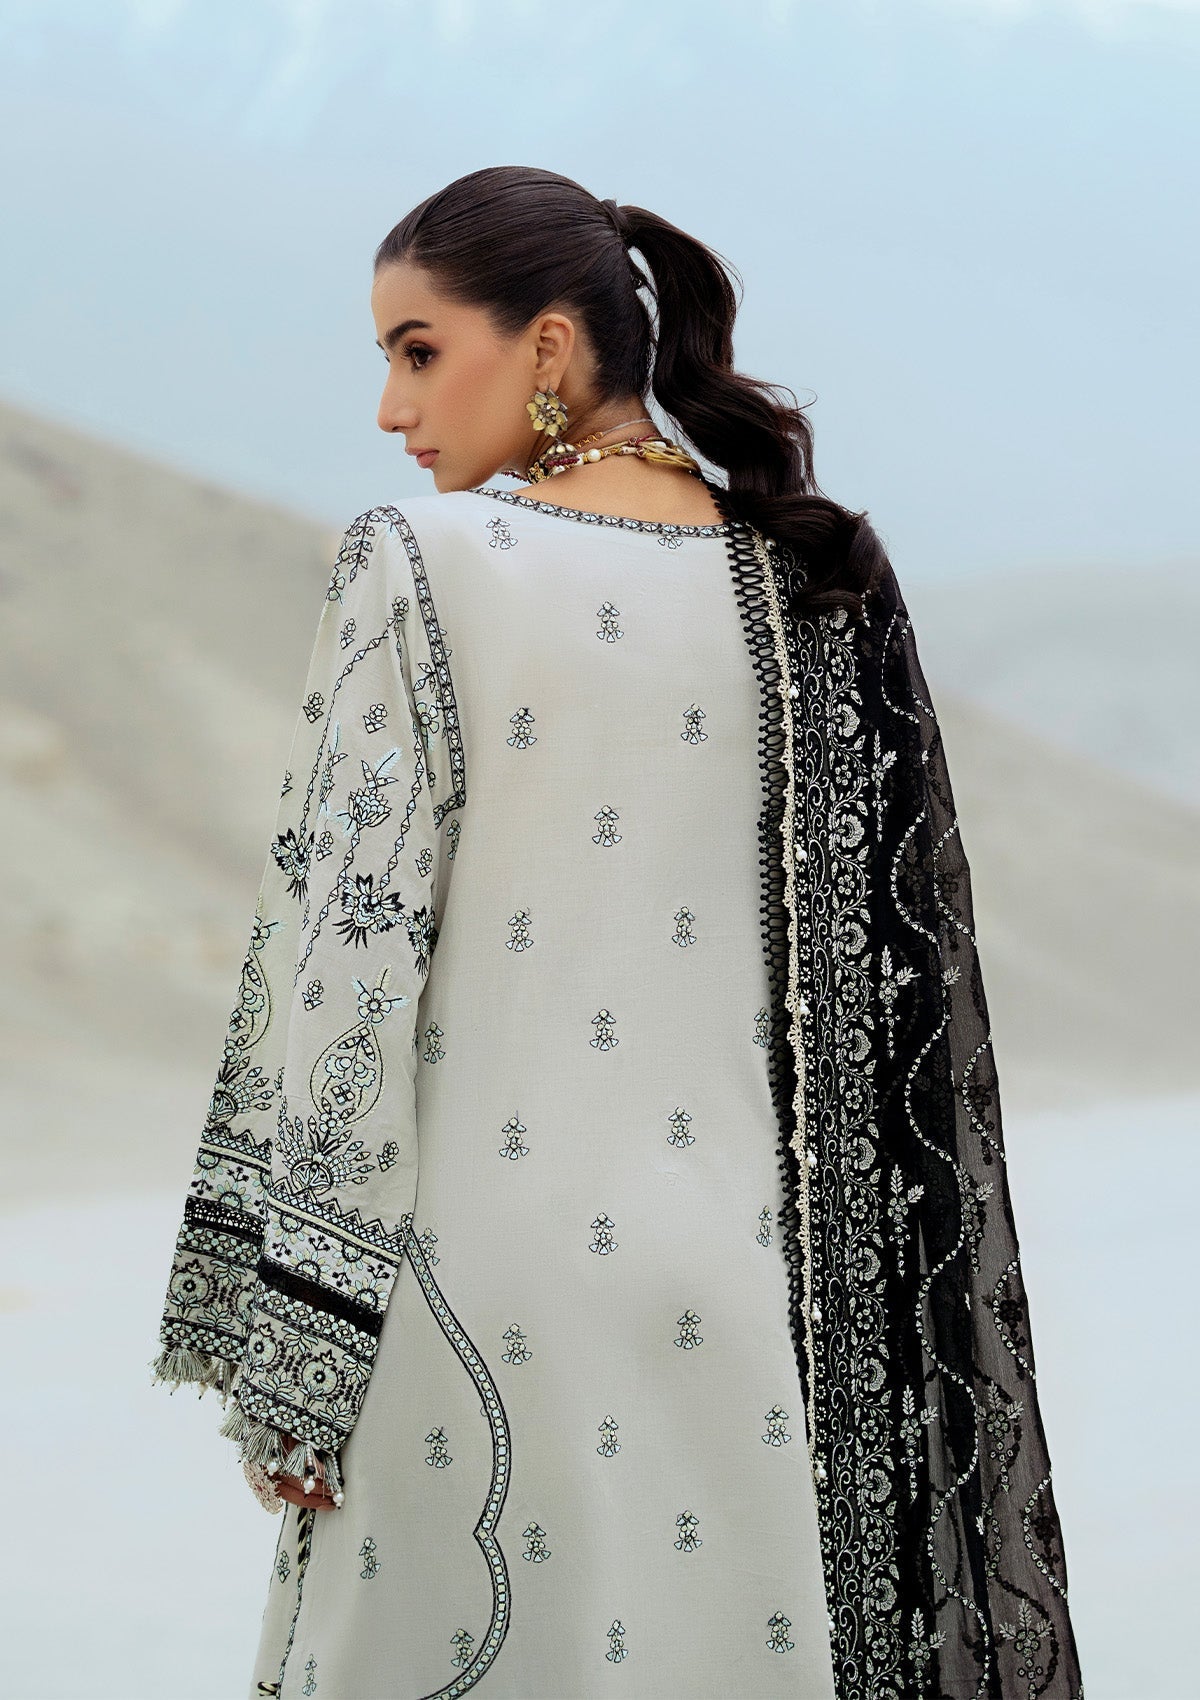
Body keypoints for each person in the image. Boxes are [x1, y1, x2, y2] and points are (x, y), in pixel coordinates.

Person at [150, 166, 1083, 1699]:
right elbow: (895, 1024)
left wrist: (299, 1358)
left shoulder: (420, 562)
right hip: (750, 1308)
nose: (391, 410)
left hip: (470, 1301)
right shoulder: (807, 583)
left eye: (417, 350)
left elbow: (345, 972)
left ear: (547, 345)